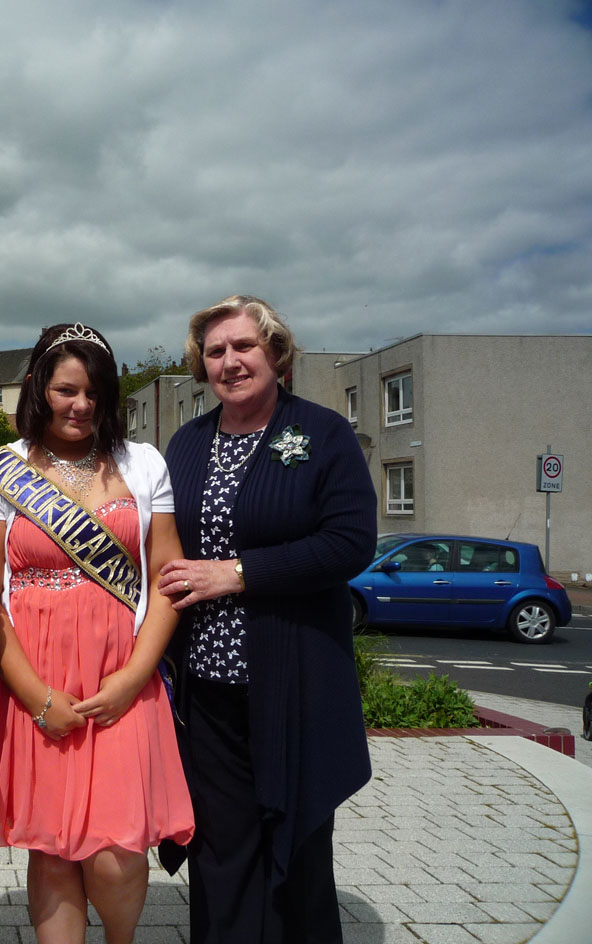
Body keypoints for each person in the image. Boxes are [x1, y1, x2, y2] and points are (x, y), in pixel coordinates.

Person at [0, 322, 194, 944]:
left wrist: (133, 678)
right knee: (52, 846)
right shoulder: (0, 473)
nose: (80, 405)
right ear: (38, 388)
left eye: (93, 392)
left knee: (117, 852)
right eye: (65, 390)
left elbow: (168, 577)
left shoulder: (143, 464)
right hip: (34, 679)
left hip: (123, 678)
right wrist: (36, 697)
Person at [157, 295, 377, 943]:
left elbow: (349, 543)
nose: (229, 361)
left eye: (243, 346)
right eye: (216, 351)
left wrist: (237, 572)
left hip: (295, 682)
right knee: (221, 851)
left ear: (276, 352)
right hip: (210, 695)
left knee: (298, 844)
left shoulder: (322, 433)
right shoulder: (188, 443)